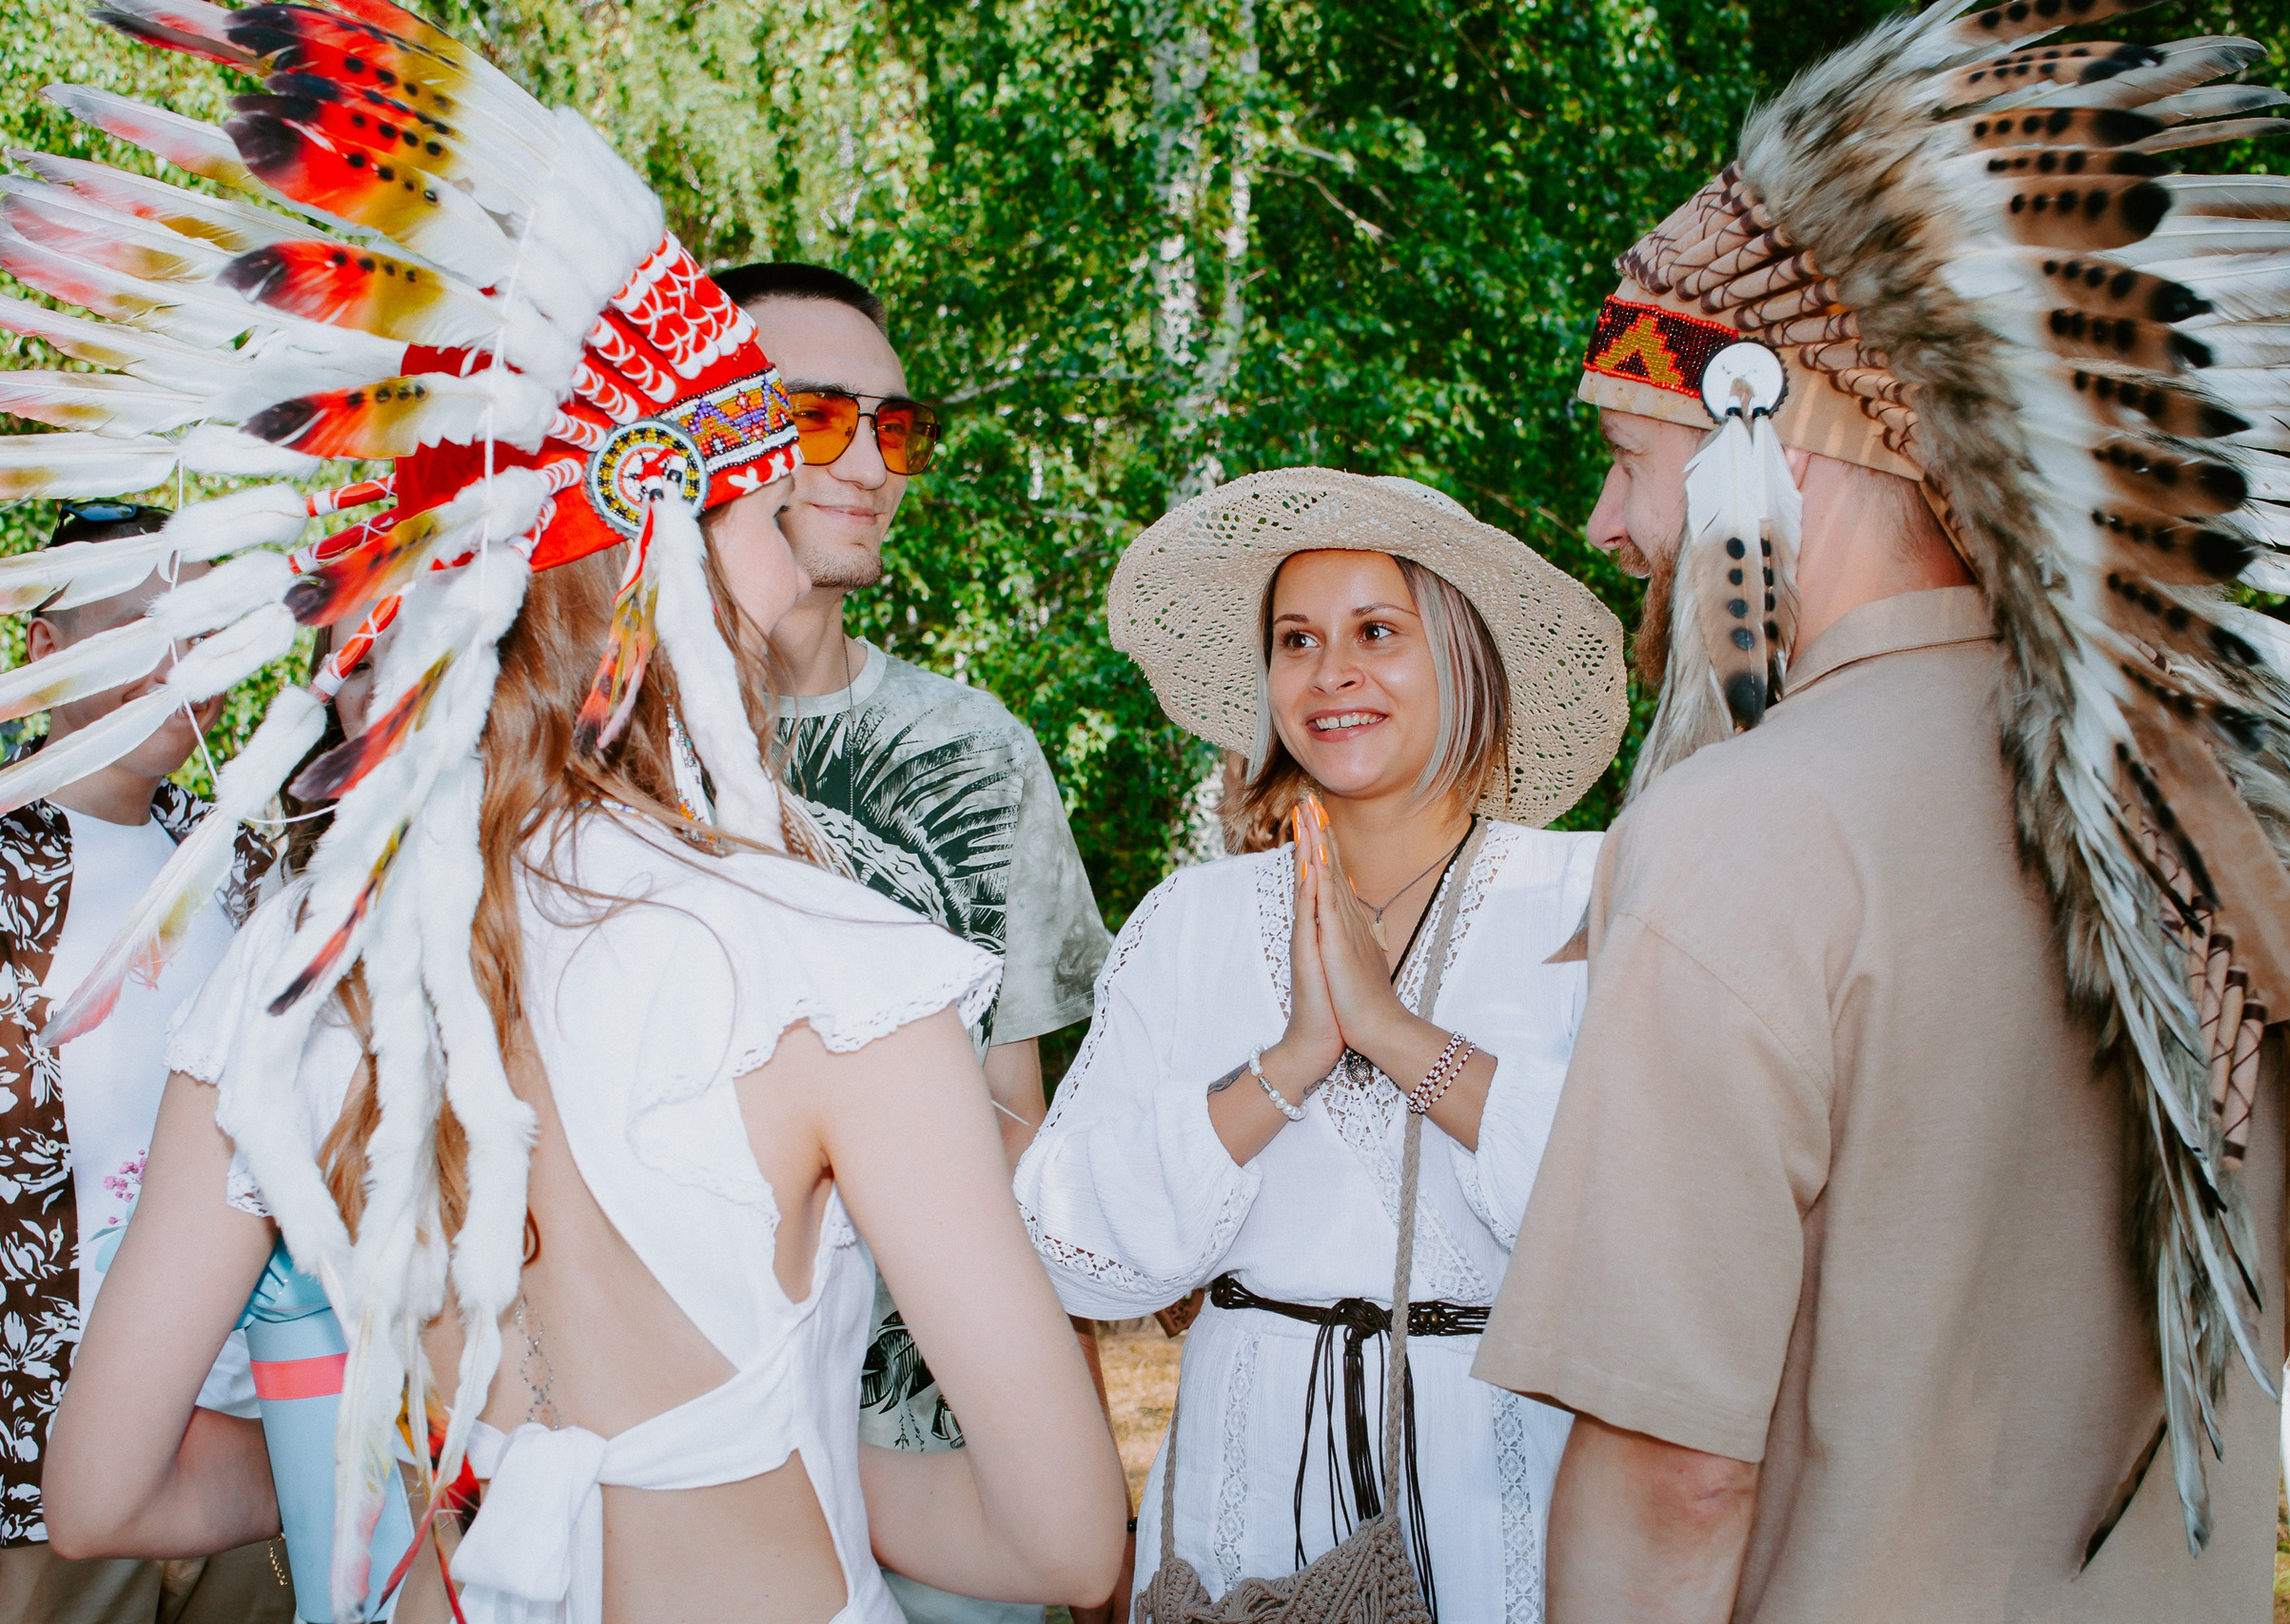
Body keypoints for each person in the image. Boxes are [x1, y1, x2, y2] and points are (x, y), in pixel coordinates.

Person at [14, 7, 1126, 1622]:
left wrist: (431, 1444)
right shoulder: (833, 974)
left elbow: (103, 1489)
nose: (794, 542)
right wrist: (769, 1449)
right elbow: (1067, 1542)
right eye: (755, 500)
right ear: (662, 561)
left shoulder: (290, 980)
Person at [1472, 7, 2290, 1620]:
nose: (1605, 524)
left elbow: (1673, 1473)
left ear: (1766, 444)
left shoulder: (1749, 834)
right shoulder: (2219, 832)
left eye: (1631, 460)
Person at [1015, 468, 1628, 1615]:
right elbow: (1069, 1238)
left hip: (1502, 1468)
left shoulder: (1588, 898)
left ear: (1463, 658)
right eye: (1296, 639)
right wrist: (1290, 1061)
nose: (1330, 671)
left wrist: (1394, 1034)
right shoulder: (1188, 920)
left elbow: (1633, 1218)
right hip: (1244, 1468)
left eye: (1376, 631)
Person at [712, 261, 1117, 1624]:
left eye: (899, 426)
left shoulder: (976, 753)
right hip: (686, 1472)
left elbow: (1021, 1139)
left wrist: (1079, 1477)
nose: (874, 461)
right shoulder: (593, 765)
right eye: (819, 417)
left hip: (943, 1475)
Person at [0, 501, 286, 1622]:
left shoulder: (246, 867)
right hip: (38, 1473)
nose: (182, 673)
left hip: (246, 1455)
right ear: (46, 651)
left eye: (208, 640)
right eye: (142, 636)